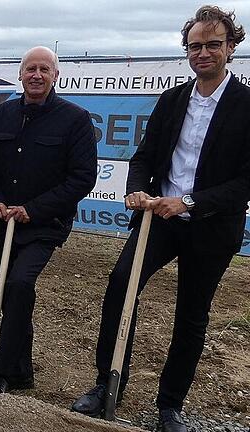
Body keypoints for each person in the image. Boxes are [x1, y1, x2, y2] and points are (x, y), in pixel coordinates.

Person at [71, 6, 250, 431]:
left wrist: (189, 202)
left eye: (212, 45)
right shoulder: (172, 100)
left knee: (191, 312)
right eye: (195, 46)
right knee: (119, 288)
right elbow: (145, 156)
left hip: (210, 225)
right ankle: (106, 384)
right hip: (159, 221)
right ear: (187, 51)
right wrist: (139, 188)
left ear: (231, 47)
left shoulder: (246, 106)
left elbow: (245, 180)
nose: (203, 53)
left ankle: (169, 404)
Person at [0, 46, 97, 393]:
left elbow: (82, 177)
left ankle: (0, 371)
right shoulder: (2, 115)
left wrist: (35, 209)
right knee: (10, 292)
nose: (37, 75)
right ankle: (22, 373)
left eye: (45, 69)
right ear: (20, 74)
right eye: (31, 69)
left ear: (56, 76)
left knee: (18, 285)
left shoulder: (75, 119)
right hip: (4, 223)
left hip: (45, 224)